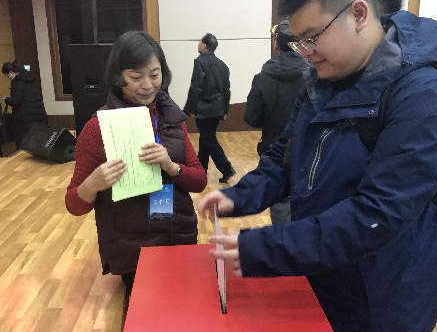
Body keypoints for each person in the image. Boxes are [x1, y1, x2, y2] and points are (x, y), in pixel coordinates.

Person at [198, 0, 437, 332]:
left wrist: (263, 248)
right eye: (298, 41)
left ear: (358, 13)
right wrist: (239, 196)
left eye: (313, 37)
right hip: (319, 282)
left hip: (377, 306)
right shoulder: (321, 81)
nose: (306, 51)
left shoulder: (421, 95)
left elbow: (377, 214)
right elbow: (284, 159)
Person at [65, 31, 207, 303]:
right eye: (135, 77)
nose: (147, 85)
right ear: (118, 77)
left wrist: (171, 166)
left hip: (178, 236)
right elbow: (74, 204)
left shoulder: (171, 119)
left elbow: (199, 180)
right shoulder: (98, 128)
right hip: (134, 249)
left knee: (187, 309)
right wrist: (93, 184)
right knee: (148, 316)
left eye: (154, 74)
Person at [370, 0, 426, 332]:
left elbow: (380, 210)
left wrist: (270, 247)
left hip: (384, 290)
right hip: (362, 284)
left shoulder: (418, 88)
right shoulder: (345, 77)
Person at [243, 21, 309, 224]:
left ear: (275, 44)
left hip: (274, 153)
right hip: (308, 153)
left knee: (281, 211)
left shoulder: (262, 77)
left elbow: (252, 119)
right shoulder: (314, 75)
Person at [183, 33, 235, 183]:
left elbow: (196, 87)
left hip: (204, 110)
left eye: (199, 41)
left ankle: (226, 168)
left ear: (204, 45)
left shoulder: (200, 62)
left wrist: (189, 108)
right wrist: (225, 110)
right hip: (217, 109)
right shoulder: (222, 65)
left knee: (208, 138)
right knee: (205, 137)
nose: (198, 43)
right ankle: (202, 169)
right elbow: (226, 90)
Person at [1, 61, 48, 149]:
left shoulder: (17, 83)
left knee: (24, 145)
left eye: (7, 76)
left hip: (25, 120)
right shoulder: (27, 80)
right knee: (38, 144)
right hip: (38, 117)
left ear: (11, 72)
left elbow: (16, 101)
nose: (8, 78)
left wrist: (6, 99)